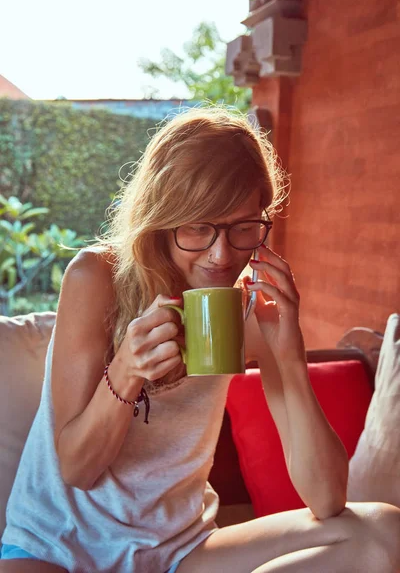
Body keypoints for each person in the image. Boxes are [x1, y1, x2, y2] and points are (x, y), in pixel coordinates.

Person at [1, 105, 399, 573]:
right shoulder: (98, 277)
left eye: (243, 227)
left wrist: (288, 350)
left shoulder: (252, 306)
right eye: (198, 226)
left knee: (383, 535)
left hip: (179, 551)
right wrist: (127, 370)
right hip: (60, 549)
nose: (221, 254)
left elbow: (328, 499)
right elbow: (77, 470)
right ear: (163, 219)